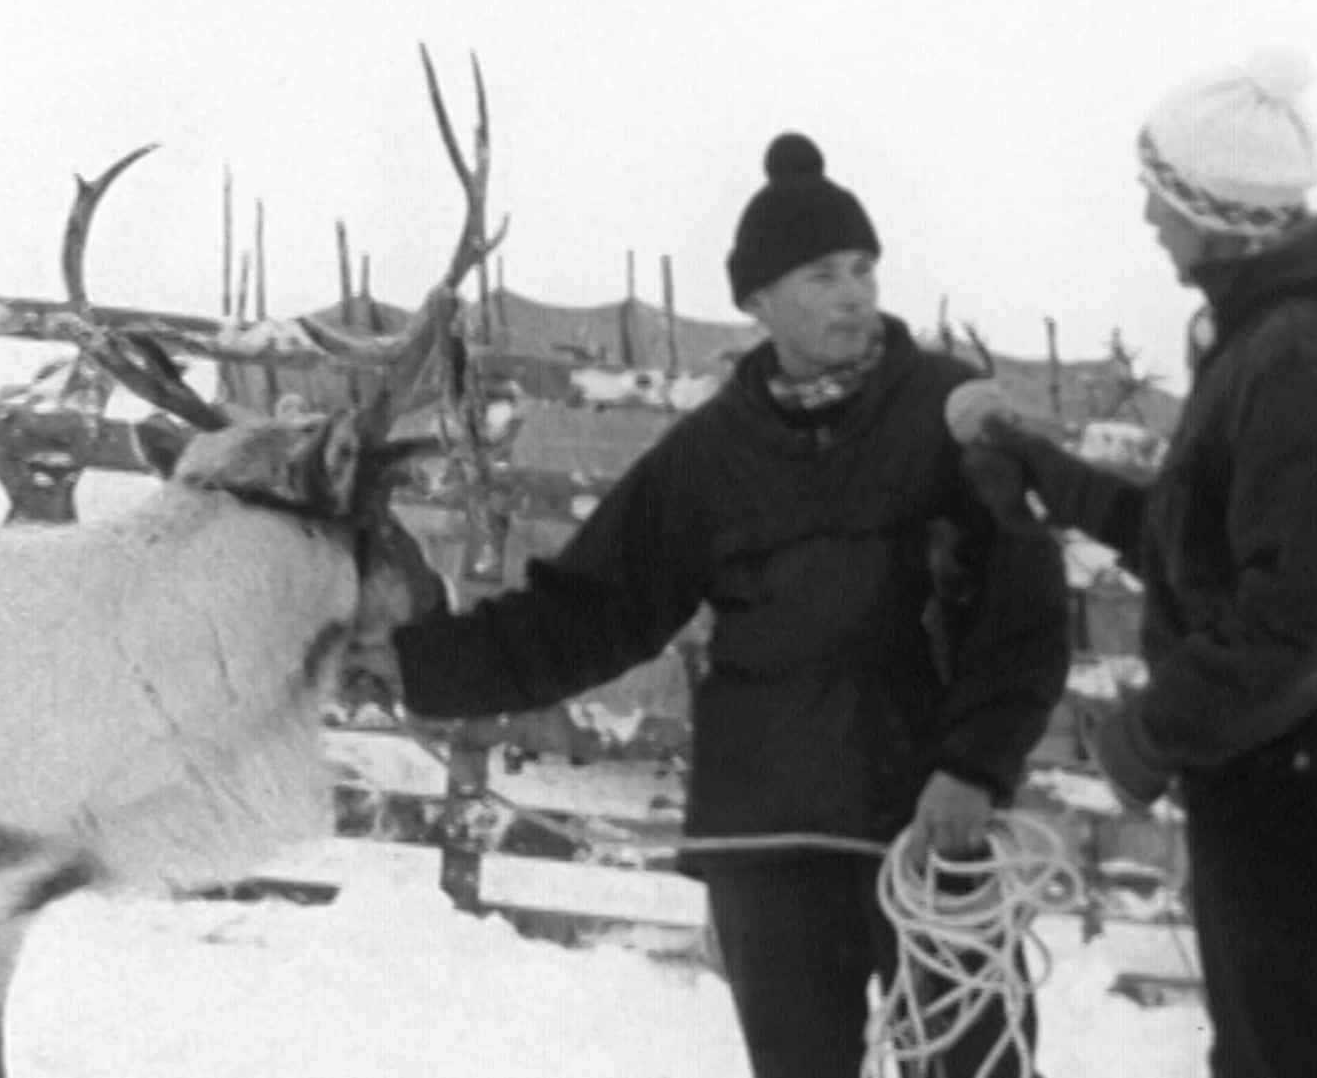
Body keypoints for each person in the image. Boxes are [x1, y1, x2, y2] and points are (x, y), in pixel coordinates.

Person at [375, 131, 1071, 1078]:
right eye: (822, 275)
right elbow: (591, 609)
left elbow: (1026, 609)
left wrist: (976, 766)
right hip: (769, 839)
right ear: (759, 301)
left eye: (863, 269)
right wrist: (419, 665)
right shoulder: (711, 455)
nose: (854, 293)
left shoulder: (949, 412)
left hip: (929, 819)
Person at [977, 53, 1317, 1078]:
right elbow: (1205, 550)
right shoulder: (1287, 342)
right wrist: (1057, 478)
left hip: (1301, 790)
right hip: (1302, 779)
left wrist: (1152, 730)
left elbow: (1302, 621)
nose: (1148, 213)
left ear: (1219, 212)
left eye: (1163, 190)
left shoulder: (1302, 359)